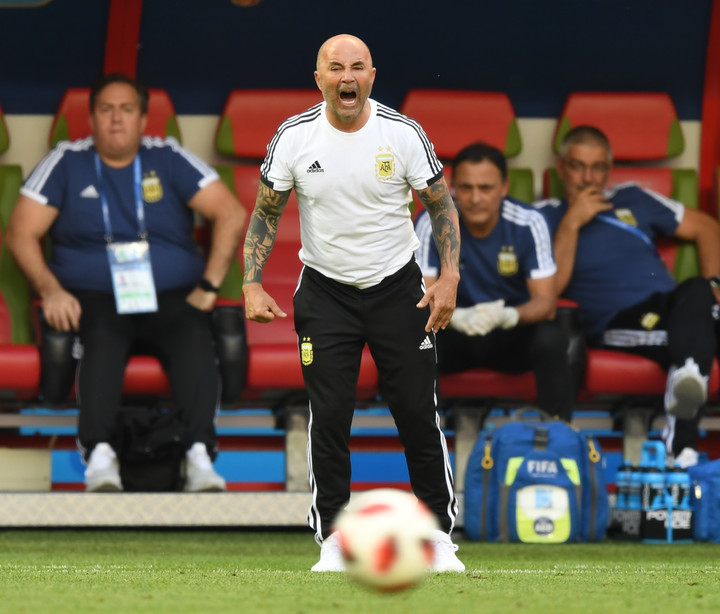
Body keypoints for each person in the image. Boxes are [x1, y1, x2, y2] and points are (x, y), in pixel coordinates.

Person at [242, 34, 465, 572]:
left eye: (357, 67)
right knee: (330, 415)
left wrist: (450, 276)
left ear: (371, 75)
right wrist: (250, 281)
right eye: (335, 68)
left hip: (399, 291)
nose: (347, 77)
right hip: (325, 293)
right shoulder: (293, 137)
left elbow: (441, 205)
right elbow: (266, 212)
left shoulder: (404, 133)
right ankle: (335, 539)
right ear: (318, 78)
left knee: (416, 411)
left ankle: (437, 538)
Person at [6, 73, 246, 492]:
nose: (116, 119)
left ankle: (200, 456)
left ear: (143, 119)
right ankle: (99, 456)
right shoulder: (66, 160)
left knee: (191, 333)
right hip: (95, 296)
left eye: (127, 110)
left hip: (172, 295)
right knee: (101, 334)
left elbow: (230, 213)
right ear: (92, 118)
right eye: (106, 110)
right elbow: (21, 232)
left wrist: (208, 286)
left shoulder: (168, 156)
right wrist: (51, 290)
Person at [535, 125, 720, 468]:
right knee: (696, 333)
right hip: (621, 321)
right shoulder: (542, 216)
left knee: (697, 287)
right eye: (578, 166)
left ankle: (689, 377)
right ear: (561, 169)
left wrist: (715, 285)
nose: (588, 178)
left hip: (678, 308)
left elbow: (707, 227)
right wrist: (572, 223)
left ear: (609, 170)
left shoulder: (634, 197)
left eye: (598, 168)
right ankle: (682, 445)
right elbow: (551, 289)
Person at [415, 142, 575, 422]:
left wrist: (508, 315)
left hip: (510, 336)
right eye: (466, 188)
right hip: (454, 330)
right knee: (414, 335)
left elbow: (545, 303)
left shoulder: (529, 222)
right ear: (452, 188)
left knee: (552, 337)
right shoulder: (433, 222)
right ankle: (426, 434)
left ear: (504, 187)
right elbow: (423, 296)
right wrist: (459, 317)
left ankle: (555, 435)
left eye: (486, 188)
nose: (475, 198)